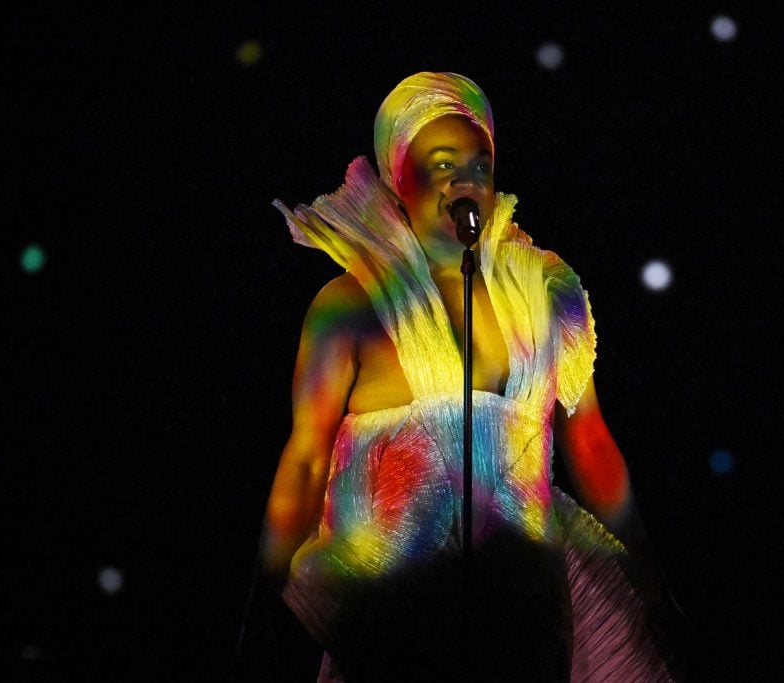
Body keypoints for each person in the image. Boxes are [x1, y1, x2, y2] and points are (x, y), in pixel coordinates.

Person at [244, 72, 678, 682]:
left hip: (526, 605)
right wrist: (268, 588)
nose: (463, 180)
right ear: (399, 179)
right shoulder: (349, 305)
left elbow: (591, 441)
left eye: (479, 163)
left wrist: (646, 570)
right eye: (441, 163)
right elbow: (308, 457)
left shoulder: (547, 293)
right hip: (395, 616)